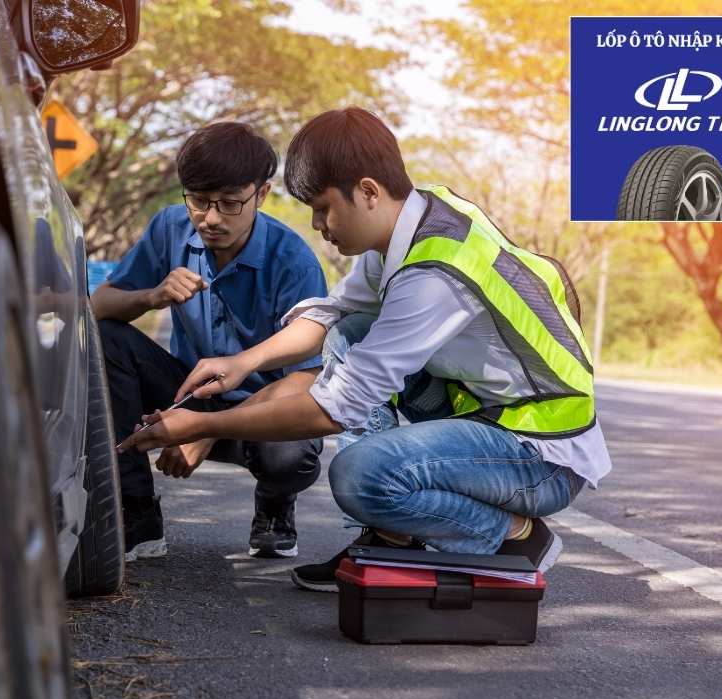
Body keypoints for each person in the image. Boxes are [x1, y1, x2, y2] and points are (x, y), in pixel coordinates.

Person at [120, 107, 611, 591]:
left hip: (540, 453)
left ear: (369, 192)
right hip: (487, 416)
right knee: (350, 330)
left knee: (360, 476)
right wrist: (243, 362)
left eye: (323, 208)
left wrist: (202, 425)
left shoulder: (433, 274)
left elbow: (335, 409)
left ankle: (513, 535)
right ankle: (389, 537)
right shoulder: (415, 219)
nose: (318, 224)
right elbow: (331, 314)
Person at [92, 121, 329, 561]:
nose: (212, 218)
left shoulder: (294, 262)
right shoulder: (169, 227)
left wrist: (207, 428)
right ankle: (136, 512)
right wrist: (151, 296)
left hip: (262, 413)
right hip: (187, 394)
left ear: (262, 194)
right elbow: (99, 305)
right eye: (199, 201)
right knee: (106, 339)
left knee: (290, 457)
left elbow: (308, 380)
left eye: (230, 203)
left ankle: (275, 504)